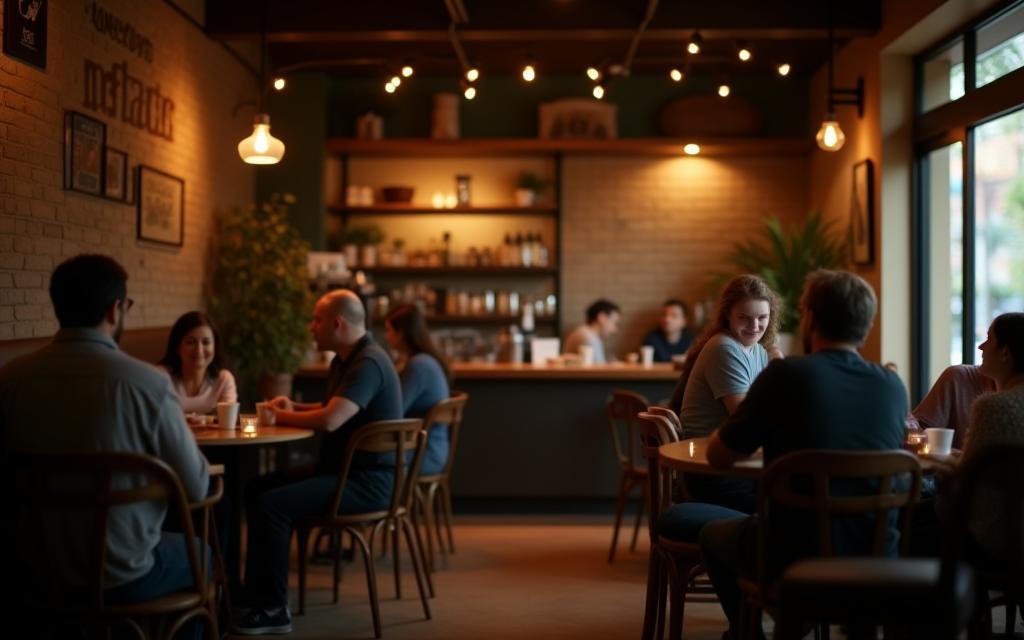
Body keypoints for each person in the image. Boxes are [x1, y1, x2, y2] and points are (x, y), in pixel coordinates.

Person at [0, 255, 210, 636]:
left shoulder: (10, 379)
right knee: (205, 555)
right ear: (115, 310)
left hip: (32, 571)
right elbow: (197, 487)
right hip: (123, 573)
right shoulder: (148, 383)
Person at [698, 270, 907, 640]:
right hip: (874, 552)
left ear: (809, 318)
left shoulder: (784, 376)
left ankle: (748, 634)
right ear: (868, 324)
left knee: (712, 535)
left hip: (791, 551)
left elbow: (718, 458)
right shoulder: (892, 385)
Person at [235, 289, 402, 635]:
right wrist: (294, 409)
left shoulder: (368, 362)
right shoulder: (345, 360)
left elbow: (330, 421)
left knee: (271, 505)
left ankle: (273, 609)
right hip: (344, 474)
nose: (311, 327)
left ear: (337, 323)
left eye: (316, 319)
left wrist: (280, 414)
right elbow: (333, 409)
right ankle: (250, 595)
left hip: (365, 483)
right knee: (256, 488)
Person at [667, 275, 782, 513]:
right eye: (744, 317)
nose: (755, 326)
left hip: (735, 465)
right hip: (710, 472)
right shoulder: (725, 348)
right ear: (728, 314)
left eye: (762, 318)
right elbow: (746, 421)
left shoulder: (758, 351)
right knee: (789, 507)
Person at [950, 313, 1024, 562]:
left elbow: (962, 489)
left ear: (1005, 353)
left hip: (998, 540)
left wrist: (947, 466)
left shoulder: (995, 407)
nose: (981, 346)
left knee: (911, 521)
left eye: (988, 339)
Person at [384, 304, 452, 476]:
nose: (386, 337)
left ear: (401, 333)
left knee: (364, 459)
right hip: (431, 449)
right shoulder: (418, 361)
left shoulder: (419, 365)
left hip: (424, 454)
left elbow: (394, 411)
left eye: (389, 330)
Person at [159, 311, 238, 415]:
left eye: (206, 342)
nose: (199, 350)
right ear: (177, 347)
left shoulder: (223, 380)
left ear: (215, 346)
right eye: (191, 342)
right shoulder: (159, 377)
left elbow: (228, 424)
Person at [912, 364, 995, 449]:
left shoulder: (1004, 407)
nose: (980, 349)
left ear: (1005, 353)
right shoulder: (959, 377)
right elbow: (917, 431)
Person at [562, 299, 620, 364]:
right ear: (602, 318)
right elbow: (599, 370)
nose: (614, 329)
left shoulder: (584, 332)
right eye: (613, 323)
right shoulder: (589, 338)